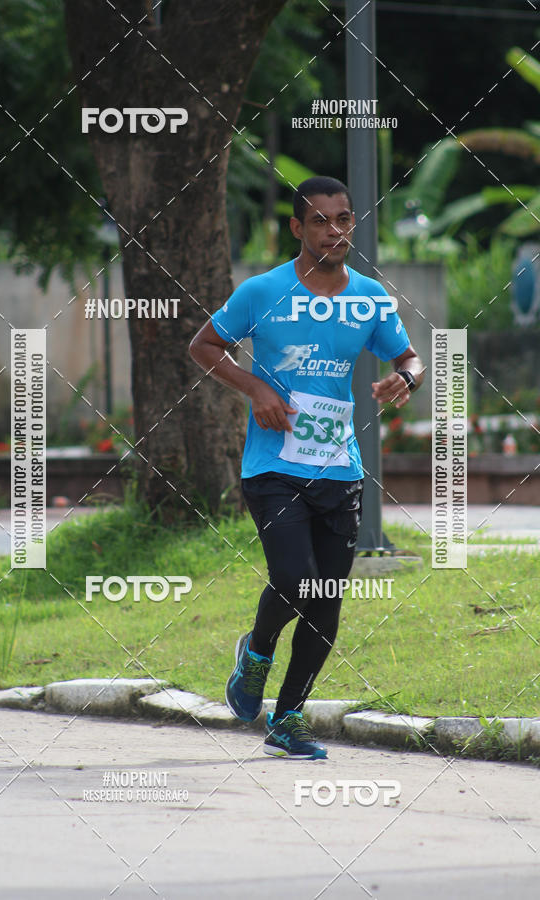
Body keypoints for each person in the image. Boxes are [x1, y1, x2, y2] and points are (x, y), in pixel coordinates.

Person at [189, 176, 424, 759]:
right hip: (272, 466)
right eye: (320, 220)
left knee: (325, 596)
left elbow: (410, 355)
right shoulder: (262, 292)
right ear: (297, 228)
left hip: (338, 468)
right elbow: (204, 346)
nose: (334, 231)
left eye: (343, 219)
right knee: (295, 579)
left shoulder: (369, 297)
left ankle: (289, 716)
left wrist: (407, 377)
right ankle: (257, 654)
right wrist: (256, 390)